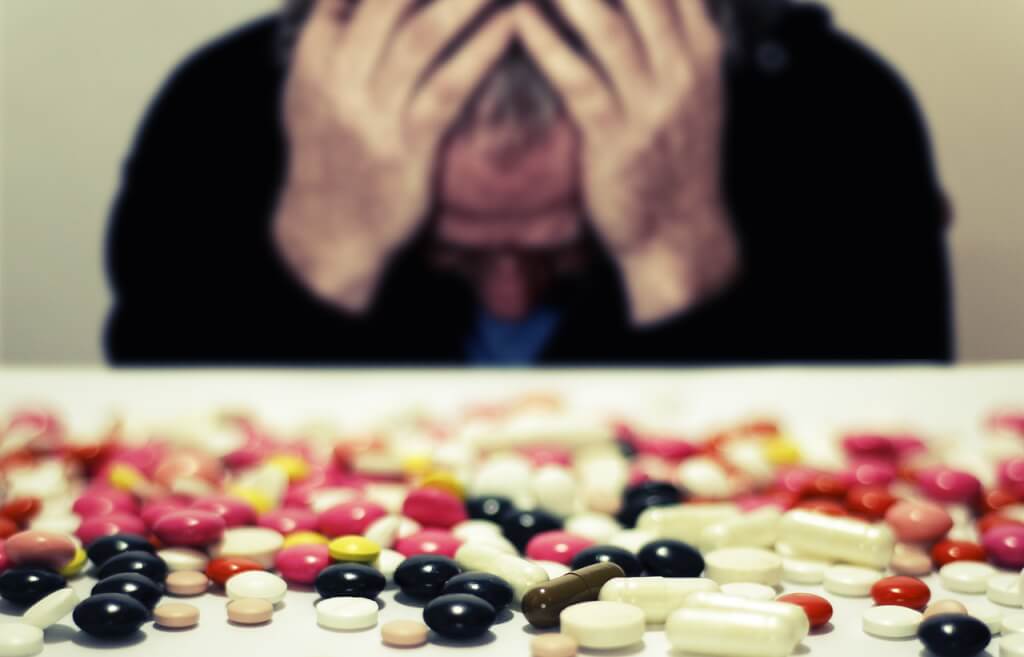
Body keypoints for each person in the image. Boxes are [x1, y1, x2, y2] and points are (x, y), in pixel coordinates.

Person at [105, 0, 953, 365]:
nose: (509, 300)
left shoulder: (841, 116)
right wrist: (326, 257)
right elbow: (164, 454)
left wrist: (675, 256)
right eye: (455, 250)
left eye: (564, 247)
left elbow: (887, 451)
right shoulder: (217, 113)